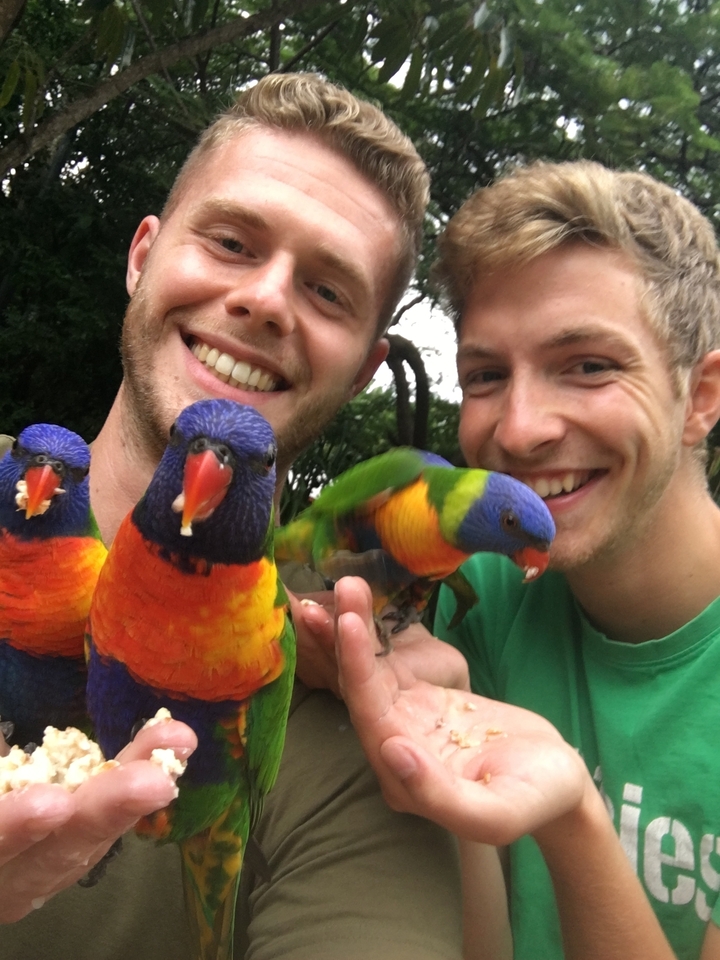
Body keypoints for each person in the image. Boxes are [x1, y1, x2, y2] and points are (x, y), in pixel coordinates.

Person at [0, 73, 465, 959]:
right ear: (142, 254)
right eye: (230, 240)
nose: (265, 299)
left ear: (365, 370)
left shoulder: (338, 703)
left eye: (329, 291)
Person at [334, 161, 720, 960]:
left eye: (588, 365)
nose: (520, 429)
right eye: (485, 375)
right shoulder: (467, 592)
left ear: (704, 396)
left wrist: (571, 814)